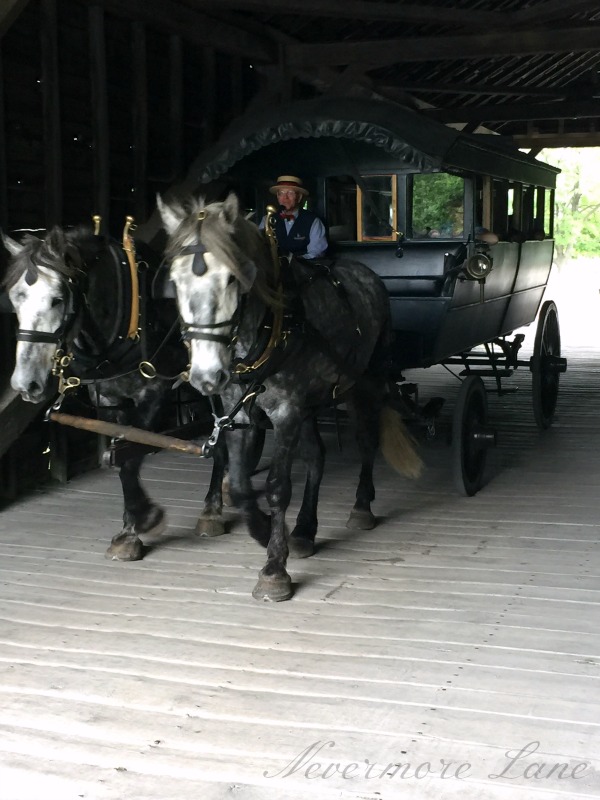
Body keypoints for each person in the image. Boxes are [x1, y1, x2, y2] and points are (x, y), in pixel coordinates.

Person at [260, 175, 328, 259]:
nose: (285, 198)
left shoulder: (313, 221)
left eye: (290, 193)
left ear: (299, 197)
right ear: (277, 197)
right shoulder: (267, 220)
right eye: (281, 193)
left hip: (302, 270)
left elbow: (316, 253)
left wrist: (292, 262)